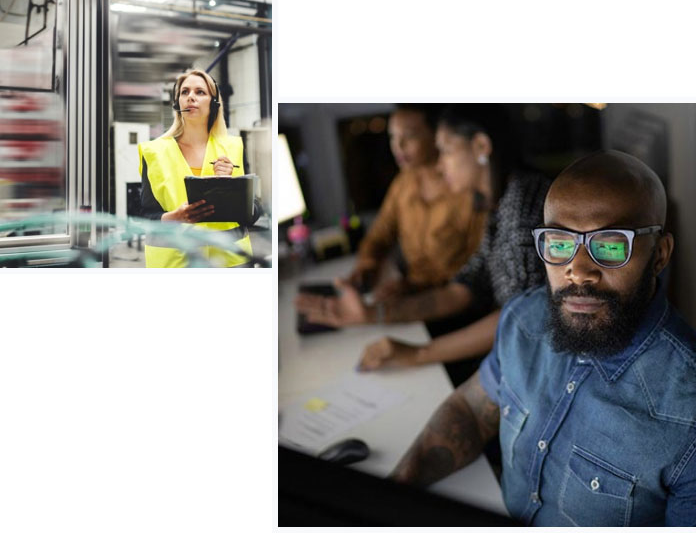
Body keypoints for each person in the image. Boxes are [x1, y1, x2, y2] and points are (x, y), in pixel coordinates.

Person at [389, 151, 695, 526]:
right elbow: (470, 410)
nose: (577, 271)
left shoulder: (687, 410)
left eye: (610, 246)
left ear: (660, 255)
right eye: (560, 243)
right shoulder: (523, 320)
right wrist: (392, 491)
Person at [295, 105, 550, 383]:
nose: (440, 165)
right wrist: (373, 313)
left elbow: (520, 319)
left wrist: (418, 353)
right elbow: (464, 288)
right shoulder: (497, 203)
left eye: (446, 151)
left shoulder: (523, 203)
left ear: (480, 146)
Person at [344, 105, 485, 301]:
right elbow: (379, 235)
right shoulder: (404, 183)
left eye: (409, 136)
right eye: (393, 136)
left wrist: (414, 288)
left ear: (437, 136)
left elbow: (478, 271)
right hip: (409, 293)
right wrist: (368, 265)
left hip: (450, 301)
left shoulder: (465, 187)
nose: (398, 146)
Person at [135, 69, 250, 267]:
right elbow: (144, 213)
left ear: (214, 103)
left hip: (228, 262)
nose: (191, 97)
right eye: (184, 92)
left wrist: (232, 187)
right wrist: (172, 218)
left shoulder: (233, 147)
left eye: (200, 92)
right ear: (177, 103)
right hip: (174, 264)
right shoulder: (154, 152)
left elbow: (254, 211)